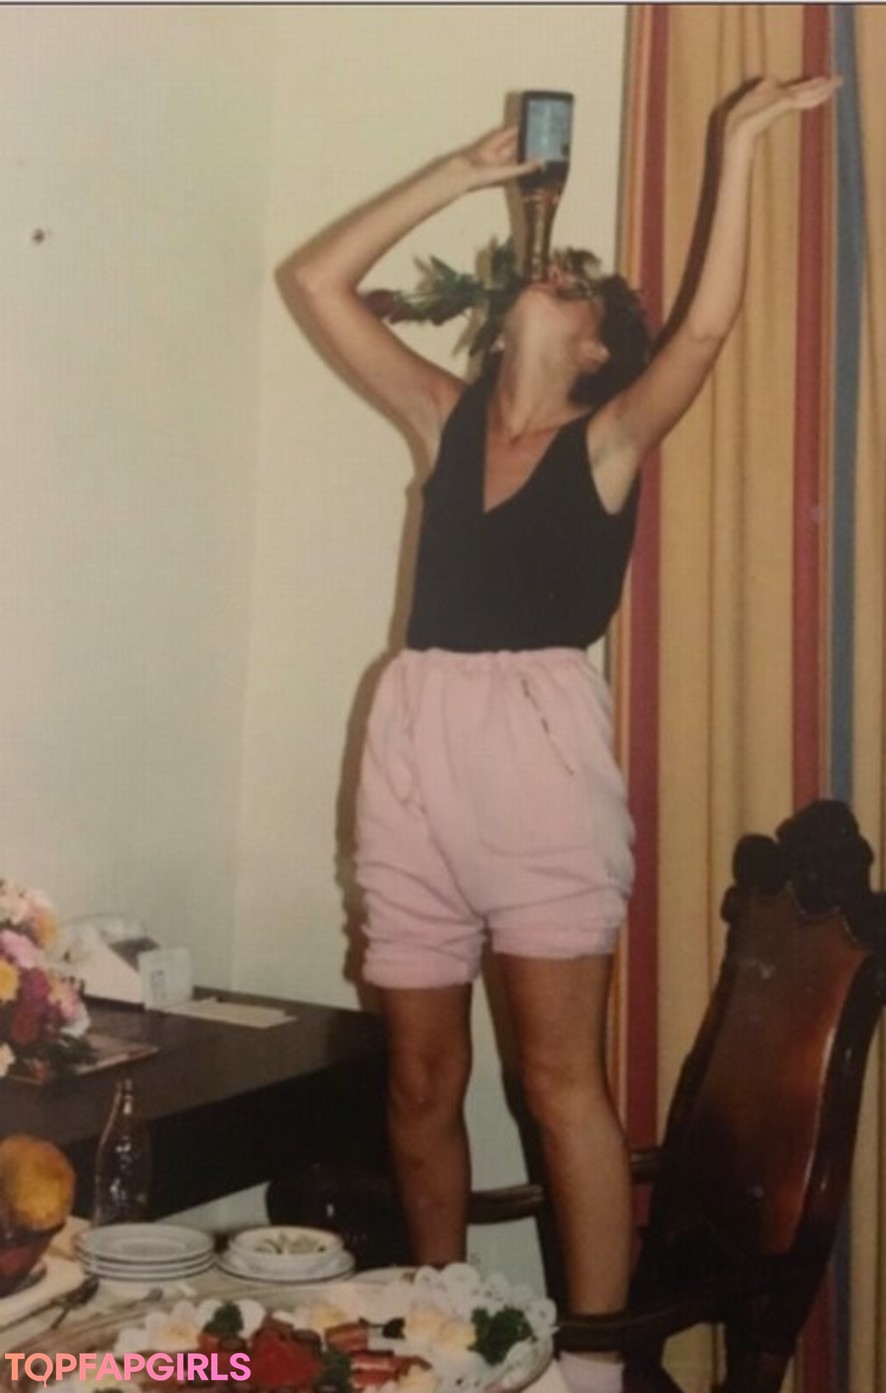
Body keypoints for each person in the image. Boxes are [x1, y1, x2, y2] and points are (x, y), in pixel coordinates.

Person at [281, 73, 840, 1390]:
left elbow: (706, 329)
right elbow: (313, 281)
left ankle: (590, 1370)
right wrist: (459, 172)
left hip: (536, 757)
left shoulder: (608, 441)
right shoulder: (443, 416)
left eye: (581, 288)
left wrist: (736, 148)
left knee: (557, 1079)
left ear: (597, 351)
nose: (554, 276)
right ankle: (435, 1343)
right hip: (412, 738)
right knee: (420, 1079)